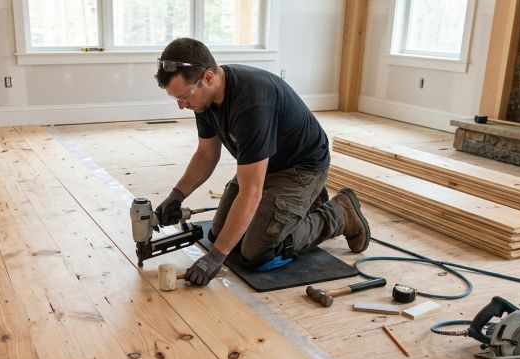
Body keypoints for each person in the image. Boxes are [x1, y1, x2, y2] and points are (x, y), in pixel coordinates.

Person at [154, 37, 370, 286]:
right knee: (219, 235)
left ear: (208, 78)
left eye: (184, 96)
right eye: (176, 98)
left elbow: (251, 191)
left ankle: (340, 213)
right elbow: (206, 155)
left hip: (300, 169)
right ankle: (302, 206)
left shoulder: (251, 102)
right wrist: (177, 195)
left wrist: (215, 258)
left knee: (258, 253)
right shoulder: (203, 100)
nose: (182, 105)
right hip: (262, 166)